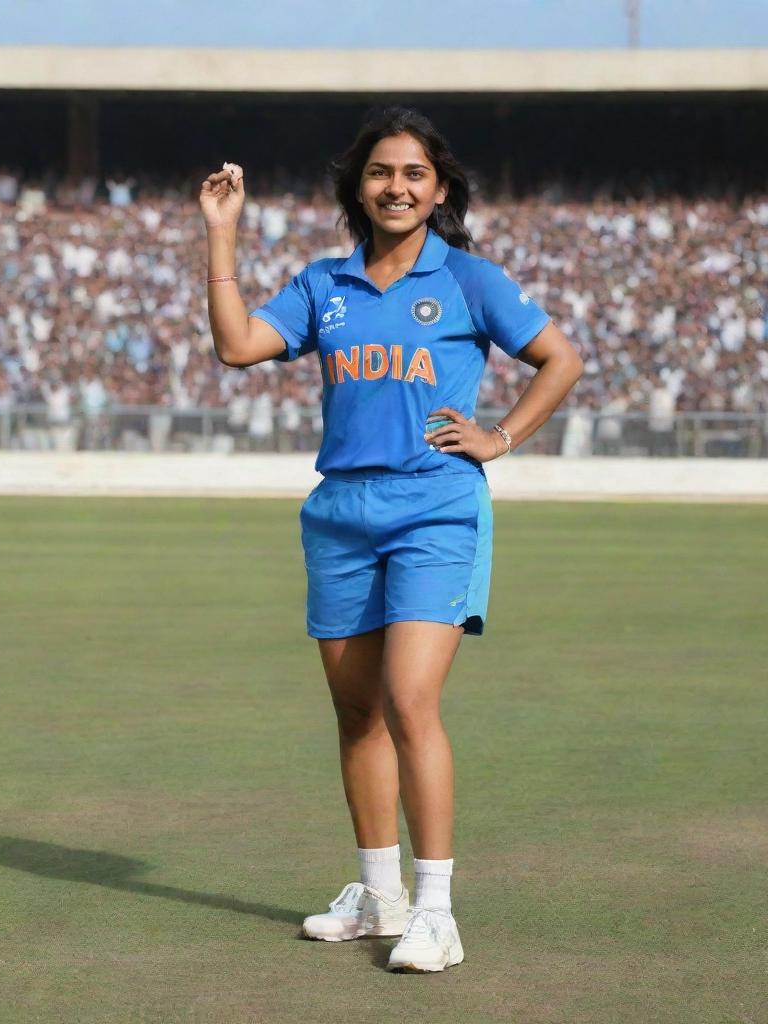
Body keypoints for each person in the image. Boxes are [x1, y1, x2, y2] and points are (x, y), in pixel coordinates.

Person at [198, 107, 583, 973]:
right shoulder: (321, 285)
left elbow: (561, 358)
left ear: (438, 189)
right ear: (358, 187)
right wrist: (222, 234)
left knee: (411, 702)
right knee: (356, 710)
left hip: (436, 507)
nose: (397, 187)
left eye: (414, 174)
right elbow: (236, 346)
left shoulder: (471, 279)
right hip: (341, 514)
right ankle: (380, 895)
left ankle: (437, 913)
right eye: (380, 173)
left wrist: (501, 437)